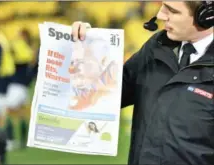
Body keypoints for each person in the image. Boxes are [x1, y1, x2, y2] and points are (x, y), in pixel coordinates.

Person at [71, 1, 213, 165]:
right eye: (163, 5)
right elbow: (107, 94)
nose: (160, 15)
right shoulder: (157, 47)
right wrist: (87, 47)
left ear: (206, 17)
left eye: (172, 11)